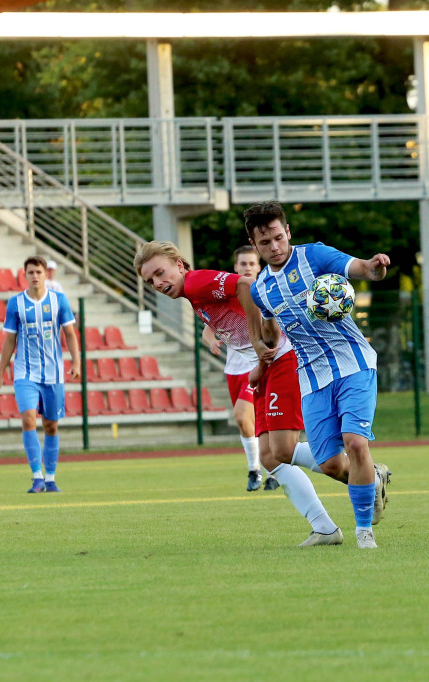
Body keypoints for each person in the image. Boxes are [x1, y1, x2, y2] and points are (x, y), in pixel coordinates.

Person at [135, 240, 344, 547]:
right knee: (269, 456)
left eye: (160, 273)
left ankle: (362, 473)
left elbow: (246, 285)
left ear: (179, 265)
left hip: (282, 359)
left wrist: (260, 347)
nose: (157, 283)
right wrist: (257, 360)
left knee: (282, 449)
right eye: (149, 280)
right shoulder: (193, 295)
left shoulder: (196, 282)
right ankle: (324, 528)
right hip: (266, 366)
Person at [239, 200, 391, 549]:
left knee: (355, 443)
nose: (274, 247)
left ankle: (364, 533)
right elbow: (271, 332)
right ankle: (373, 479)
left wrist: (374, 267)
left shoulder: (314, 256)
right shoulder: (261, 289)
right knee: (330, 464)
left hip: (353, 363)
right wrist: (261, 343)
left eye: (279, 237)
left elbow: (360, 268)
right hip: (311, 377)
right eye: (265, 243)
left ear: (288, 231)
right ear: (255, 244)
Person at [0, 256, 81, 493]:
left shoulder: (59, 301)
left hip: (53, 373)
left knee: (51, 425)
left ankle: (50, 478)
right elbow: (10, 339)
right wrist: (0, 372)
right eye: (30, 272)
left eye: (38, 272)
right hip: (25, 372)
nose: (34, 276)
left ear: (45, 275)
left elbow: (70, 333)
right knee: (28, 419)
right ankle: (37, 477)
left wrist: (77, 362)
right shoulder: (16, 303)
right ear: (25, 274)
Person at [200, 245, 278, 492]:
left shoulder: (264, 292)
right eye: (242, 264)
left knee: (243, 416)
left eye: (251, 264)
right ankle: (257, 469)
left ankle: (268, 469)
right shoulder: (226, 295)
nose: (247, 268)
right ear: (235, 267)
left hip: (259, 365)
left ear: (259, 267)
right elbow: (208, 328)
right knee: (247, 423)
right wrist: (212, 342)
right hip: (234, 368)